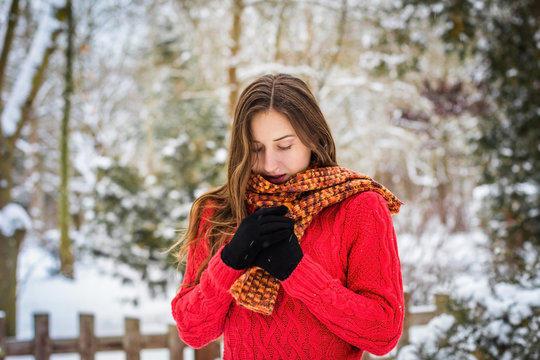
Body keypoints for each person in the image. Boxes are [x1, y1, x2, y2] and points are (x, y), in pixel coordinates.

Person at [170, 73, 404, 359]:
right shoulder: (220, 211)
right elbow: (192, 331)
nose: (270, 163)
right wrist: (230, 261)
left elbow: (383, 334)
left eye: (284, 146)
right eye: (256, 148)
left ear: (314, 138)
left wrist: (297, 271)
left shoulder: (358, 206)